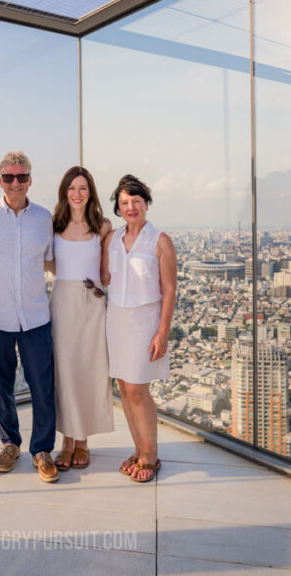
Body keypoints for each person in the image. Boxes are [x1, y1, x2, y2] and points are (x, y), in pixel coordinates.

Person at [0, 151, 59, 483]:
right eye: (9, 177)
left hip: (36, 315)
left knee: (43, 386)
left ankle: (42, 450)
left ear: (30, 180)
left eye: (22, 177)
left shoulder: (44, 218)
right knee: (1, 385)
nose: (15, 183)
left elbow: (52, 261)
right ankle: (9, 443)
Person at [105, 174, 177, 483]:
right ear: (118, 208)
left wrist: (163, 332)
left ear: (146, 204)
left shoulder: (160, 240)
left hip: (146, 320)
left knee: (137, 389)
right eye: (124, 203)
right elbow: (105, 278)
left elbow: (170, 289)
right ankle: (138, 449)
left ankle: (150, 454)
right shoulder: (112, 239)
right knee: (123, 387)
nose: (131, 207)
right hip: (116, 319)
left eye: (137, 201)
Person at [49, 166, 114, 472]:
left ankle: (83, 440)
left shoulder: (102, 226)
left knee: (89, 369)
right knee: (64, 371)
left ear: (91, 193)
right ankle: (66, 440)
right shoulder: (52, 224)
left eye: (83, 188)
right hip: (62, 300)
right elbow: (47, 265)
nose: (77, 194)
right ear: (64, 192)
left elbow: (106, 273)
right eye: (72, 188)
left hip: (92, 303)